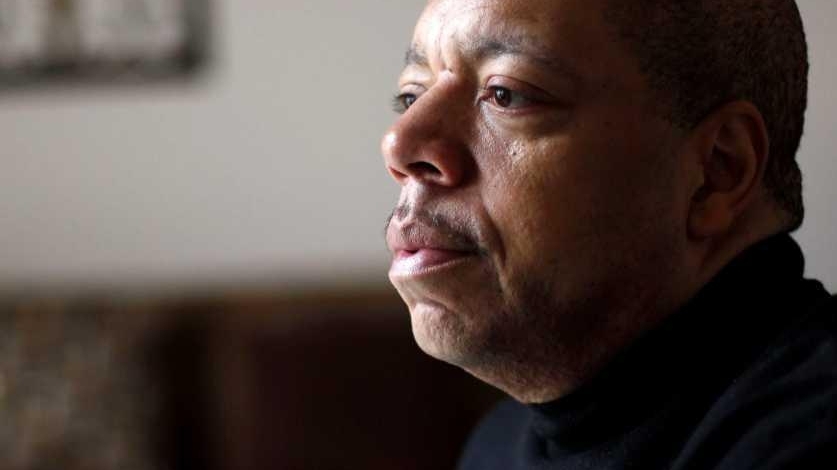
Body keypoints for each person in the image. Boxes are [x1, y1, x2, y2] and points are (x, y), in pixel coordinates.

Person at [381, 0, 837, 468]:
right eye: (412, 97)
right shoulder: (499, 444)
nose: (399, 143)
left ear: (718, 171)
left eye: (506, 94)